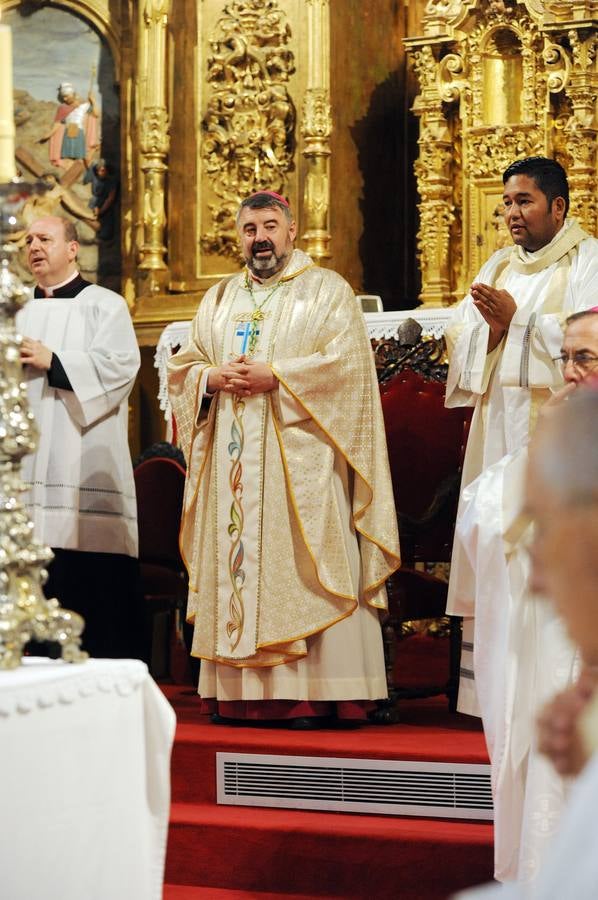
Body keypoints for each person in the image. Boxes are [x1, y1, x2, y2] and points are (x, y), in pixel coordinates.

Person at [168, 190, 400, 728]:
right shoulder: (220, 298)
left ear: (292, 230)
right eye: (250, 229)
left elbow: (347, 371)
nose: (261, 239)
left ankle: (319, 692)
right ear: (239, 236)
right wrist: (210, 377)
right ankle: (240, 694)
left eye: (270, 226)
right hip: (234, 462)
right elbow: (187, 366)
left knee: (306, 565)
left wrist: (279, 377)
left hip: (302, 462)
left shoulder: (326, 292)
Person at [444, 156, 598, 881]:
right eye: (506, 201)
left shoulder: (591, 259)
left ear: (559, 206)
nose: (512, 213)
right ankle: (502, 691)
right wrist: (490, 329)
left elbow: (588, 345)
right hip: (503, 440)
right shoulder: (497, 264)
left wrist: (522, 324)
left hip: (567, 452)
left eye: (525, 201)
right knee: (499, 540)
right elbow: (462, 347)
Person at [454, 387, 598, 899]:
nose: (572, 374)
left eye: (587, 357)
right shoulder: (533, 461)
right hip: (541, 653)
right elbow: (485, 517)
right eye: (567, 359)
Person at [20, 215, 140, 657]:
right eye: (29, 239)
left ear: (72, 249)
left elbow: (120, 368)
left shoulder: (104, 305)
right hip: (25, 464)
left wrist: (54, 359)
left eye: (45, 239)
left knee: (86, 574)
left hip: (80, 458)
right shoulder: (12, 312)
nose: (34, 246)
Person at [40, 82, 99, 170]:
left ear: (73, 94)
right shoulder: (62, 108)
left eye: (67, 96)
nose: (65, 98)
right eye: (63, 96)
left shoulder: (83, 106)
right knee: (68, 158)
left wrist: (93, 101)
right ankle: (70, 176)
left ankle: (83, 173)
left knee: (80, 157)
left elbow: (96, 114)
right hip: (68, 133)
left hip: (78, 132)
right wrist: (48, 135)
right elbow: (58, 123)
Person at [83, 159, 119, 241]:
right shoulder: (95, 178)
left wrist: (101, 210)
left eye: (102, 170)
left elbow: (110, 198)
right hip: (93, 204)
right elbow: (85, 180)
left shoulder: (112, 181)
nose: (100, 173)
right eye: (98, 170)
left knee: (105, 230)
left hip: (105, 206)